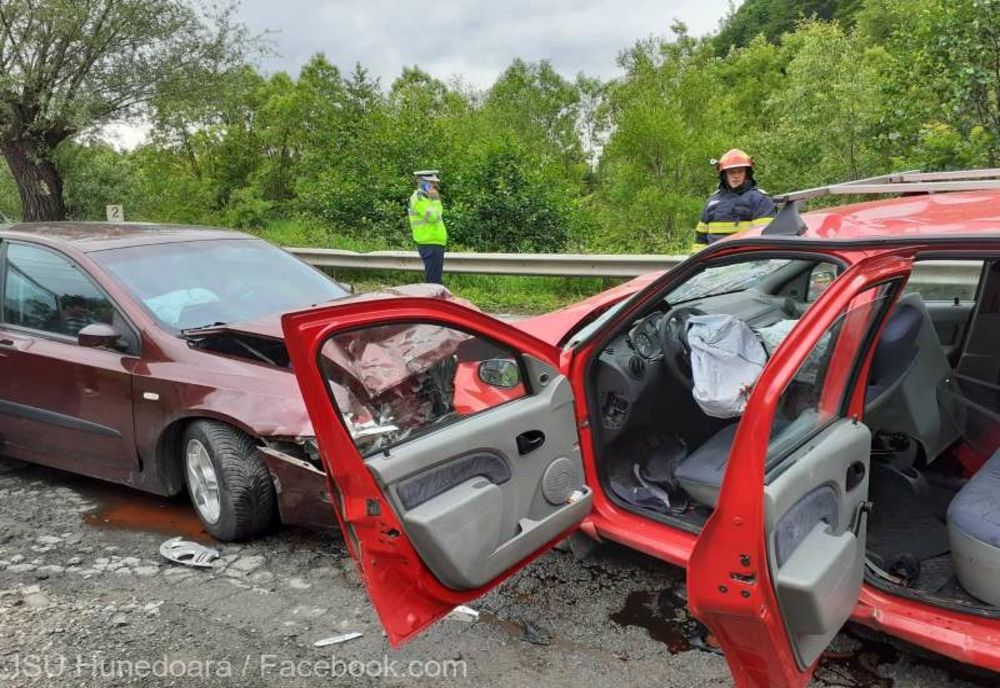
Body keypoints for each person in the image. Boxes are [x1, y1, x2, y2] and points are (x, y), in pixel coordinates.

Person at [693, 149, 775, 252]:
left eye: (740, 171)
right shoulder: (712, 201)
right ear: (724, 175)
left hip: (744, 261)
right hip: (715, 262)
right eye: (731, 172)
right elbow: (700, 239)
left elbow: (764, 237)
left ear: (747, 173)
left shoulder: (760, 199)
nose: (736, 176)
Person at [408, 170, 447, 284]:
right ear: (422, 182)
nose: (435, 185)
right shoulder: (419, 199)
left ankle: (434, 300)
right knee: (433, 282)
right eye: (431, 182)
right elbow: (433, 217)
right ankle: (432, 301)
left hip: (433, 242)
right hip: (428, 242)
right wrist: (436, 201)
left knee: (435, 278)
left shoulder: (426, 198)